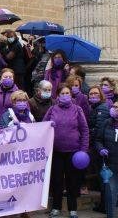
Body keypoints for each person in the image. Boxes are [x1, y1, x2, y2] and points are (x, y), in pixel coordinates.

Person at [43, 83, 89, 218]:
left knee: (72, 181)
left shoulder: (77, 109)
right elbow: (43, 127)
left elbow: (84, 130)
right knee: (56, 181)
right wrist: (48, 125)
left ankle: (73, 209)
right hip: (56, 151)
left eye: (67, 93)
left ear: (71, 95)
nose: (65, 95)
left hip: (73, 152)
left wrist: (83, 149)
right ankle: (56, 208)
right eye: (62, 93)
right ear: (57, 95)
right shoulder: (52, 109)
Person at [88, 85, 110, 211]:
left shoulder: (102, 108)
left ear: (101, 95)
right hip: (99, 147)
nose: (93, 96)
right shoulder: (95, 108)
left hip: (101, 148)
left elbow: (99, 130)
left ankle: (105, 205)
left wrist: (90, 134)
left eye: (96, 93)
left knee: (104, 177)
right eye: (91, 94)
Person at [95, 101, 118, 218]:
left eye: (117, 107)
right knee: (111, 193)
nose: (115, 109)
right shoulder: (106, 123)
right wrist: (101, 149)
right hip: (110, 165)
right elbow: (98, 139)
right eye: (114, 106)